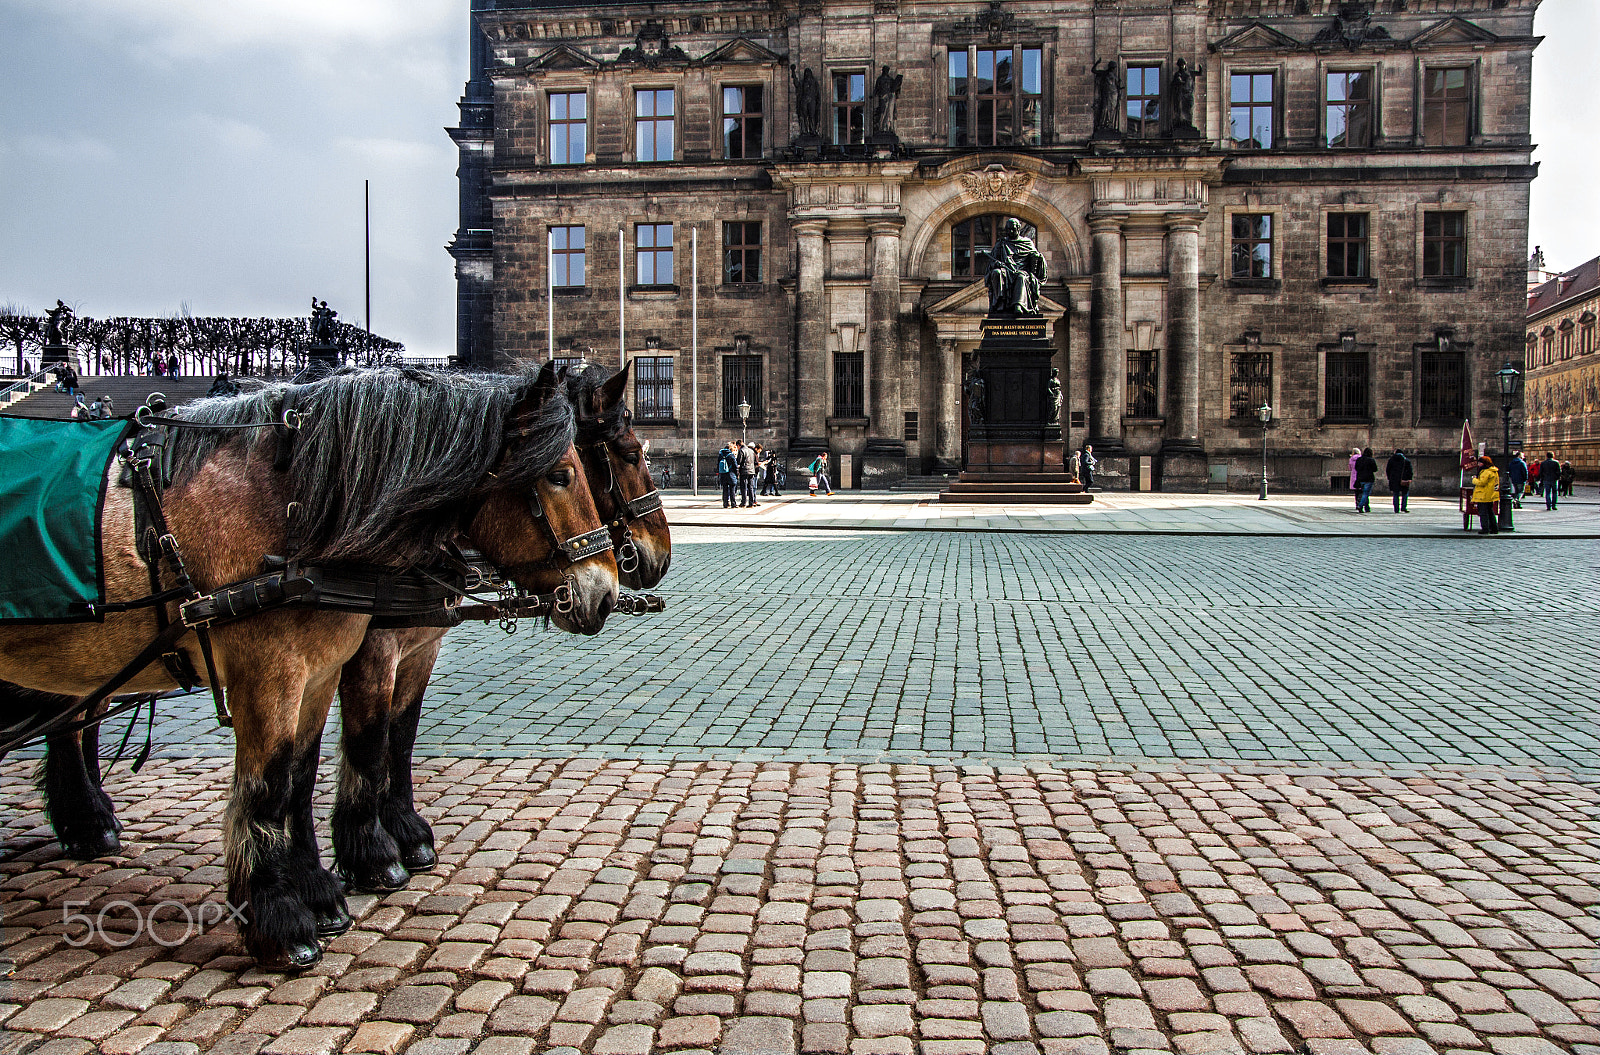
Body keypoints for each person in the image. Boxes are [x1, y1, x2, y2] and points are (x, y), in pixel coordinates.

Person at [1471, 456, 1501, 534]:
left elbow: (1482, 482)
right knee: (1490, 512)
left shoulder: (1486, 472)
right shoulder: (1494, 470)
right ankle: (1494, 528)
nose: (1479, 464)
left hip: (1483, 495)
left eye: (1480, 463)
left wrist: (1474, 479)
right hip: (1490, 494)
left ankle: (1485, 528)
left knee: (1483, 513)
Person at [1385, 448, 1413, 513]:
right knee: (1405, 494)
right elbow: (1410, 471)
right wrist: (1409, 478)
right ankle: (1403, 507)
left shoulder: (1391, 460)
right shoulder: (1406, 460)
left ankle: (1396, 509)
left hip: (1394, 480)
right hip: (1404, 479)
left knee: (1395, 494)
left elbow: (1388, 470)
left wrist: (1389, 478)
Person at [1354, 447, 1378, 513]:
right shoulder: (1371, 460)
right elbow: (1375, 469)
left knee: (1364, 493)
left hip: (1361, 478)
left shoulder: (1359, 459)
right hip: (1369, 478)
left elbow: (1356, 468)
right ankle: (1360, 506)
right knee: (1366, 493)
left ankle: (1367, 508)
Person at [737, 439, 759, 508]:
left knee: (743, 487)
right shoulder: (751, 450)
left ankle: (743, 502)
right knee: (751, 487)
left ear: (738, 445)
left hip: (744, 471)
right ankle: (751, 503)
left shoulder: (742, 450)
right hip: (752, 471)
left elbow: (739, 461)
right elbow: (754, 461)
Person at [717, 441, 738, 508]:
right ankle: (733, 504)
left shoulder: (721, 455)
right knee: (732, 489)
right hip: (731, 474)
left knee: (725, 489)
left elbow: (718, 464)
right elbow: (735, 465)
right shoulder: (731, 455)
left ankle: (725, 503)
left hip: (723, 474)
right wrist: (737, 474)